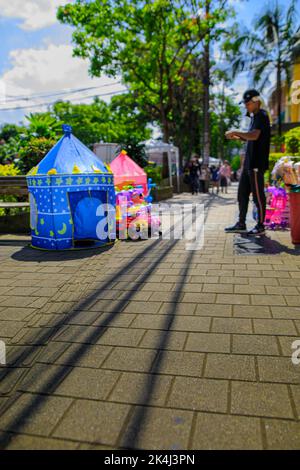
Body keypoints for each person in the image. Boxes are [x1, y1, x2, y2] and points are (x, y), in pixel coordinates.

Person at [224, 89, 270, 235]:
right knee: (242, 194)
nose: (246, 106)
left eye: (248, 103)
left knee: (257, 195)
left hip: (256, 163)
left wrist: (236, 131)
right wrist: (237, 137)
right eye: (245, 104)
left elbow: (255, 135)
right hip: (248, 164)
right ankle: (241, 223)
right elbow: (249, 137)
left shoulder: (261, 115)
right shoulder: (254, 117)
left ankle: (261, 225)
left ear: (257, 101)